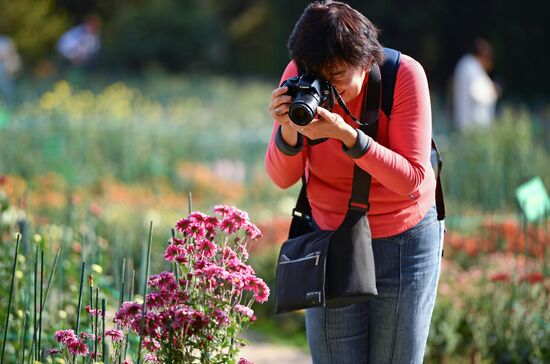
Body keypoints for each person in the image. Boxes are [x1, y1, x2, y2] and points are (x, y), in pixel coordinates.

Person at [265, 2, 445, 363]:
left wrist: (349, 137)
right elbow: (281, 177)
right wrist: (288, 130)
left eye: (338, 75)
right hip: (333, 237)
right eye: (318, 75)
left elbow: (412, 178)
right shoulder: (300, 73)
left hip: (404, 238)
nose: (327, 87)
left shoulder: (404, 75)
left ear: (366, 61)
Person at [452, 38, 499, 132]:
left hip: (462, 120)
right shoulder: (473, 68)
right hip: (473, 125)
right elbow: (478, 94)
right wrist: (494, 91)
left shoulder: (464, 63)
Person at [0, 35, 21, 104]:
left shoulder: (6, 40)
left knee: (8, 90)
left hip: (6, 67)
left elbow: (13, 51)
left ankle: (10, 107)